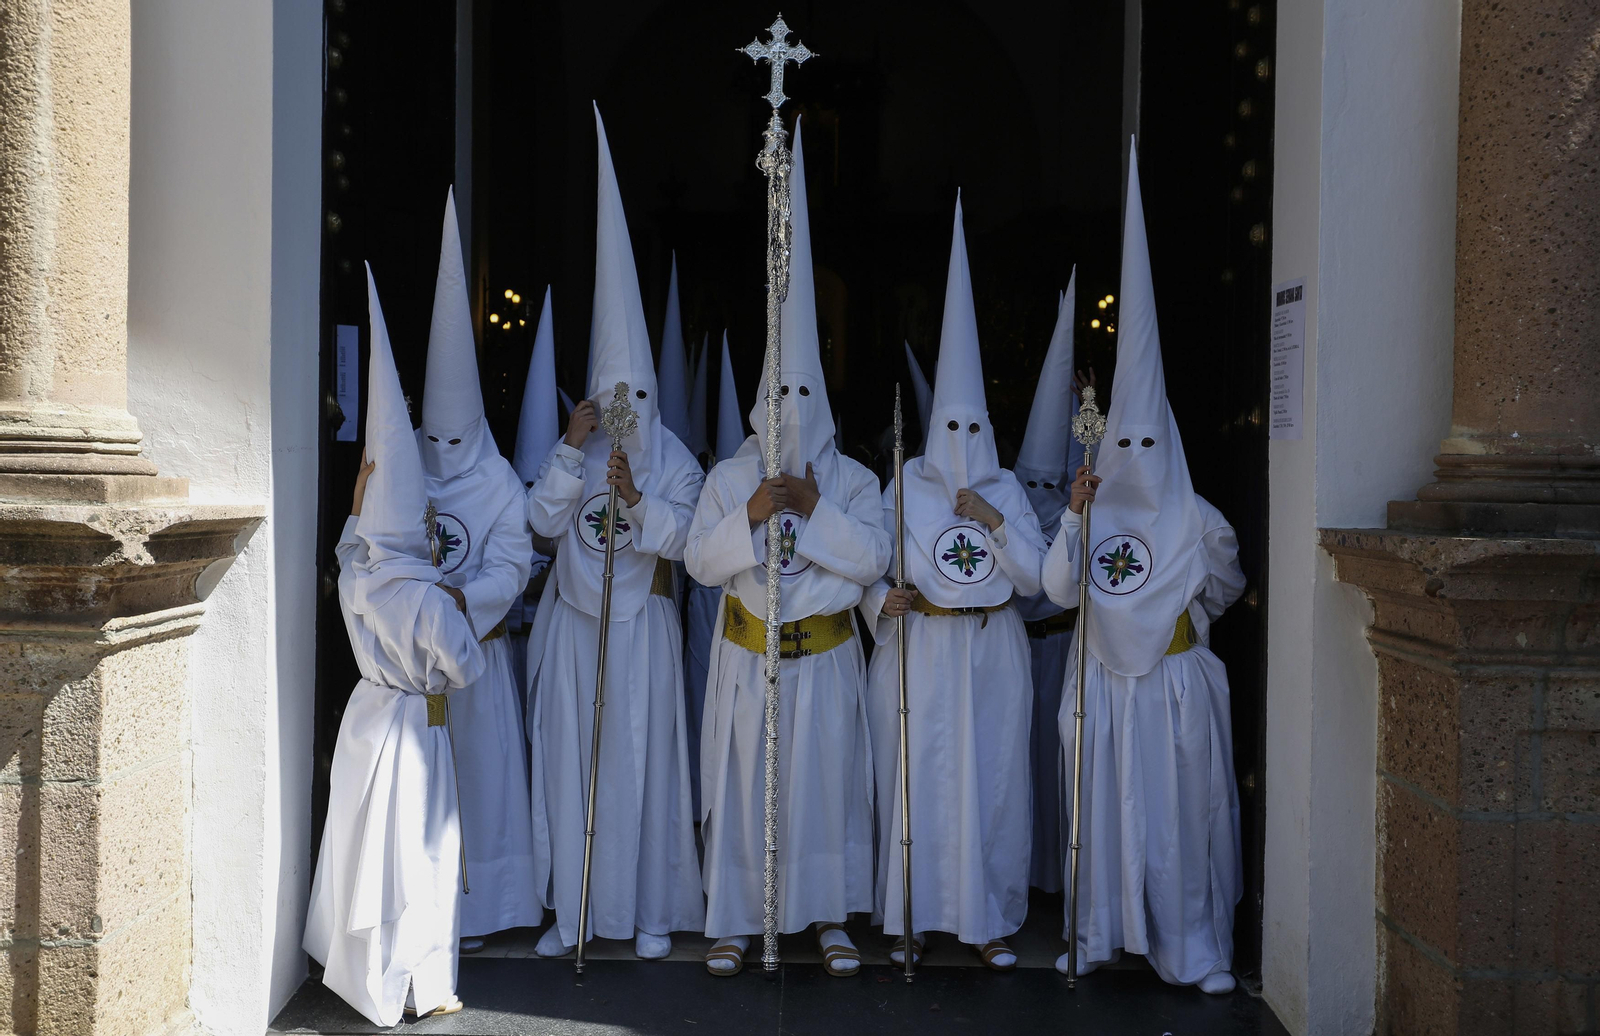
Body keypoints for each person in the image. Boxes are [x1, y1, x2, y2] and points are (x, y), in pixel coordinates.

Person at [686, 122, 891, 978]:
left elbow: (872, 559)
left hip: (827, 661)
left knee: (820, 798)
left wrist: (811, 505)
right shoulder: (733, 477)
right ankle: (734, 920)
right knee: (748, 795)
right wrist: (757, 514)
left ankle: (827, 920)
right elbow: (700, 562)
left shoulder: (852, 480)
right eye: (783, 390)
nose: (793, 405)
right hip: (747, 658)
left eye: (807, 391)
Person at [1043, 144, 1246, 993]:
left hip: (1170, 692)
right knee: (1101, 817)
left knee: (1176, 822)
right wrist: (1079, 514)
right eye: (1122, 437)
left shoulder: (1201, 520)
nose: (1133, 453)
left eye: (1145, 441)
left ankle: (1189, 947)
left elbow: (1226, 588)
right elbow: (1058, 591)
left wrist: (1178, 623)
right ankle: (1094, 937)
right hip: (1098, 687)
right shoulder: (1090, 511)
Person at [523, 105, 705, 961]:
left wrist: (636, 502)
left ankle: (651, 911)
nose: (621, 410)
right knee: (574, 765)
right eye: (608, 394)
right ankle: (577, 911)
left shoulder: (671, 455)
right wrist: (569, 450)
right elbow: (538, 522)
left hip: (644, 630)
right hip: (575, 627)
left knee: (644, 767)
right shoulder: (577, 445)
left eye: (633, 393)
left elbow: (689, 541)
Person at [860, 195, 1049, 972]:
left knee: (992, 784)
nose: (964, 445)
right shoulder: (903, 485)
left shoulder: (1006, 491)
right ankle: (911, 915)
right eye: (953, 430)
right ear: (937, 428)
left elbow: (1041, 581)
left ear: (989, 427)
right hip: (921, 647)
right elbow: (867, 564)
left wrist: (997, 525)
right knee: (920, 779)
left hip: (991, 647)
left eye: (976, 429)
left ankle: (991, 920)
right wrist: (882, 601)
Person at [304, 266, 484, 1024]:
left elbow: (348, 557)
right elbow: (467, 671)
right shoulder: (427, 599)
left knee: (364, 853)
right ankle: (422, 986)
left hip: (364, 723)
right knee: (419, 855)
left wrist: (353, 510)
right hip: (418, 727)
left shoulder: (360, 580)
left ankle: (368, 979)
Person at [415, 189, 541, 953]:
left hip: (480, 658)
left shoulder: (497, 484)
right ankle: (430, 912)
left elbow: (514, 561)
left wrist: (461, 596)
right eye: (435, 439)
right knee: (430, 790)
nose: (447, 454)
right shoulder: (405, 479)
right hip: (419, 670)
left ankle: (487, 910)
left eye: (458, 440)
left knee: (486, 787)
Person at [1010, 278, 1086, 894]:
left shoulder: (1086, 513)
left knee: (1061, 763)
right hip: (1012, 650)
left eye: (1050, 484)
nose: (1041, 496)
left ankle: (1059, 879)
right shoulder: (1005, 508)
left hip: (1065, 650)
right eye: (1029, 483)